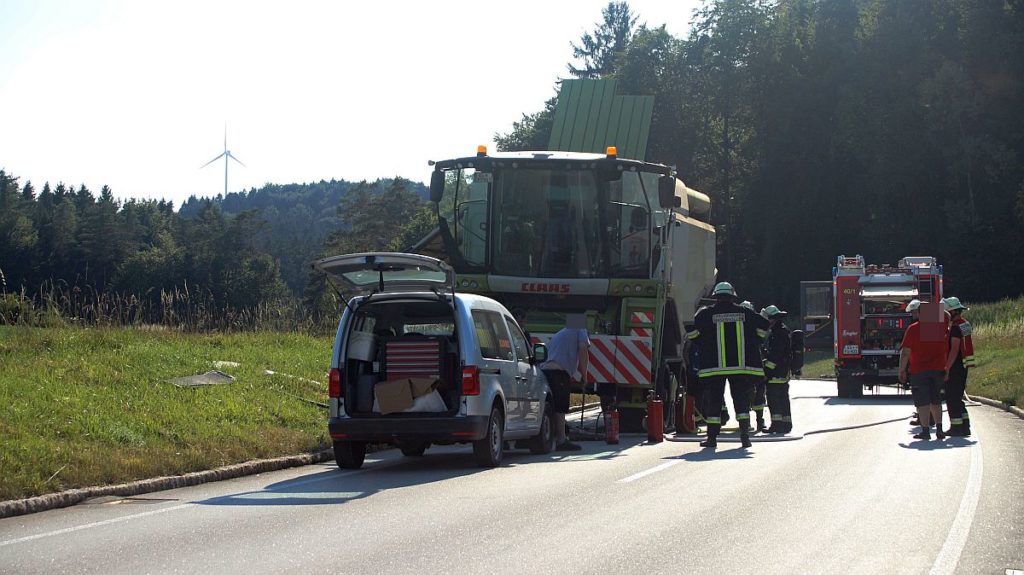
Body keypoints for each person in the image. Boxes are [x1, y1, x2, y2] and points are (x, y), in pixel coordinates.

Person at [686, 282, 770, 448]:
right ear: (732, 296)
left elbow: (690, 329)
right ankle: (745, 436)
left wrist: (701, 343)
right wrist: (756, 341)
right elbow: (764, 325)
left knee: (714, 402)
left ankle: (711, 439)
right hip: (740, 368)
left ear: (716, 296)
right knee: (741, 401)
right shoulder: (744, 312)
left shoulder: (706, 314)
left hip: (713, 368)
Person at [898, 299, 949, 440]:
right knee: (936, 400)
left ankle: (925, 431)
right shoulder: (938, 328)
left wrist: (902, 370)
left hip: (919, 370)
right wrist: (936, 310)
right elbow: (947, 316)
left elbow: (906, 352)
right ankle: (939, 429)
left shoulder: (913, 329)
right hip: (938, 369)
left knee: (923, 402)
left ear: (920, 314)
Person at [540, 313, 591, 451]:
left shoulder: (562, 333)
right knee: (560, 407)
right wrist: (585, 376)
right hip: (558, 372)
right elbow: (583, 350)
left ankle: (546, 437)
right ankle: (561, 440)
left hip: (546, 370)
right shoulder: (581, 329)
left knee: (551, 405)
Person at [943, 297, 975, 437]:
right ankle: (965, 426)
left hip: (955, 366)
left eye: (948, 311)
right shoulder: (964, 323)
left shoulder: (955, 328)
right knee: (958, 396)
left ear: (953, 311)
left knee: (952, 397)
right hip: (963, 365)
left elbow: (954, 349)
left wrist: (947, 368)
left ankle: (956, 427)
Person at [761, 305, 793, 434]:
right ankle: (786, 424)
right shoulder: (782, 331)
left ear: (772, 319)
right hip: (783, 371)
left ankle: (777, 425)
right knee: (783, 398)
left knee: (774, 399)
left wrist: (766, 371)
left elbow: (775, 356)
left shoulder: (777, 334)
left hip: (775, 372)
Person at [741, 300, 768, 433]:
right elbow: (761, 339)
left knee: (744, 395)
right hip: (755, 364)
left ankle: (746, 425)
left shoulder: (735, 324)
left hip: (741, 365)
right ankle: (759, 422)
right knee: (758, 394)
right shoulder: (754, 322)